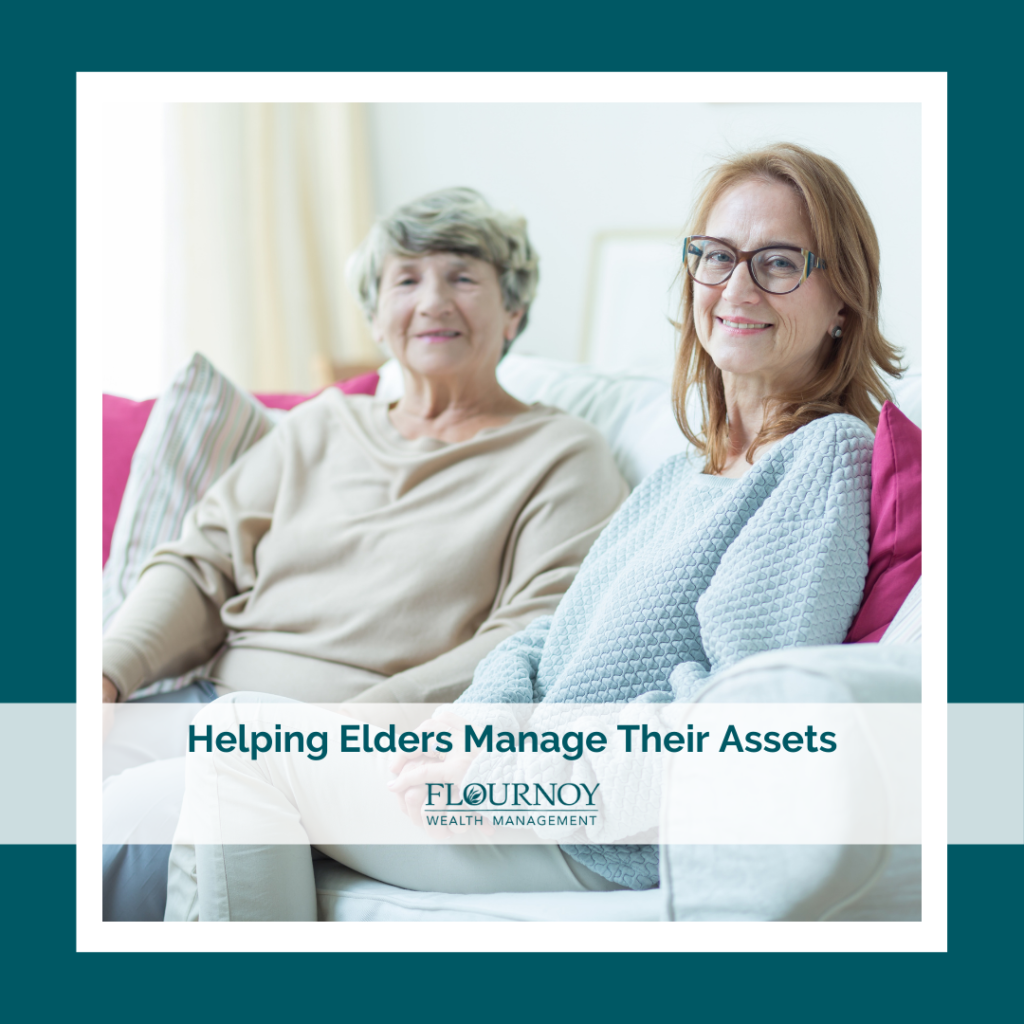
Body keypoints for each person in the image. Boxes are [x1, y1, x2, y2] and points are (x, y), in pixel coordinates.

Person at [164, 143, 906, 919]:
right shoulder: (687, 471)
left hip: (592, 829)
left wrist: (513, 777)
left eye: (779, 263)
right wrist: (470, 737)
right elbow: (540, 642)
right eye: (716, 257)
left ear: (843, 300)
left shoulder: (823, 456)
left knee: (242, 743)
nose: (736, 286)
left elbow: (728, 721)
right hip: (511, 774)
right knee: (242, 734)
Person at [101, 187, 629, 920]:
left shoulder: (561, 453)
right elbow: (201, 563)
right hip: (208, 705)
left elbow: (537, 628)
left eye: (464, 277)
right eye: (406, 279)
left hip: (344, 747)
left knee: (109, 827)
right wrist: (104, 674)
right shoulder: (319, 427)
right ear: (376, 318)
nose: (433, 300)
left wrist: (351, 726)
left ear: (513, 312)